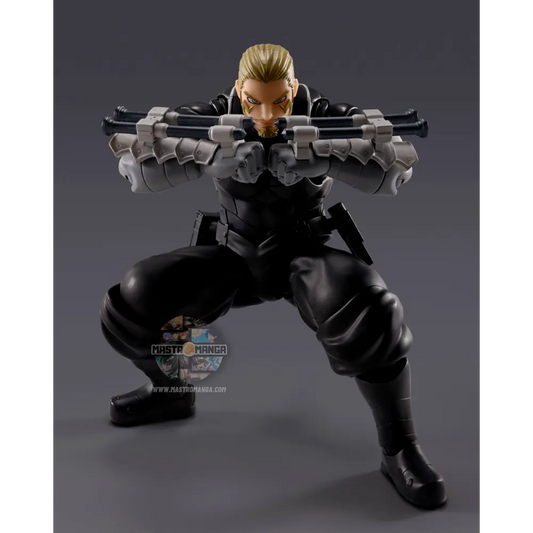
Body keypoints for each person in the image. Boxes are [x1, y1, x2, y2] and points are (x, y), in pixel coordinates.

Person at [100, 43, 446, 509]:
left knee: (371, 315)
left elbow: (396, 168)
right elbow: (135, 168)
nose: (266, 115)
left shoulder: (326, 116)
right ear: (238, 90)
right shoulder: (211, 115)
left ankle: (399, 448)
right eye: (253, 101)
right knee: (136, 297)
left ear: (294, 88)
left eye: (280, 101)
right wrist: (202, 160)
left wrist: (328, 162)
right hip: (232, 255)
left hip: (302, 255)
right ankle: (171, 391)